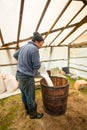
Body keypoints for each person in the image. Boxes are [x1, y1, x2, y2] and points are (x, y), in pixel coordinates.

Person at [13, 32, 44, 119]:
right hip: (27, 76)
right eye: (41, 44)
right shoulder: (34, 49)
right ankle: (33, 114)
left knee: (24, 93)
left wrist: (23, 62)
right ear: (37, 42)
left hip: (19, 74)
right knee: (30, 96)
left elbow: (15, 55)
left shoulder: (24, 46)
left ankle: (27, 110)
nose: (41, 46)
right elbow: (36, 66)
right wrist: (38, 64)